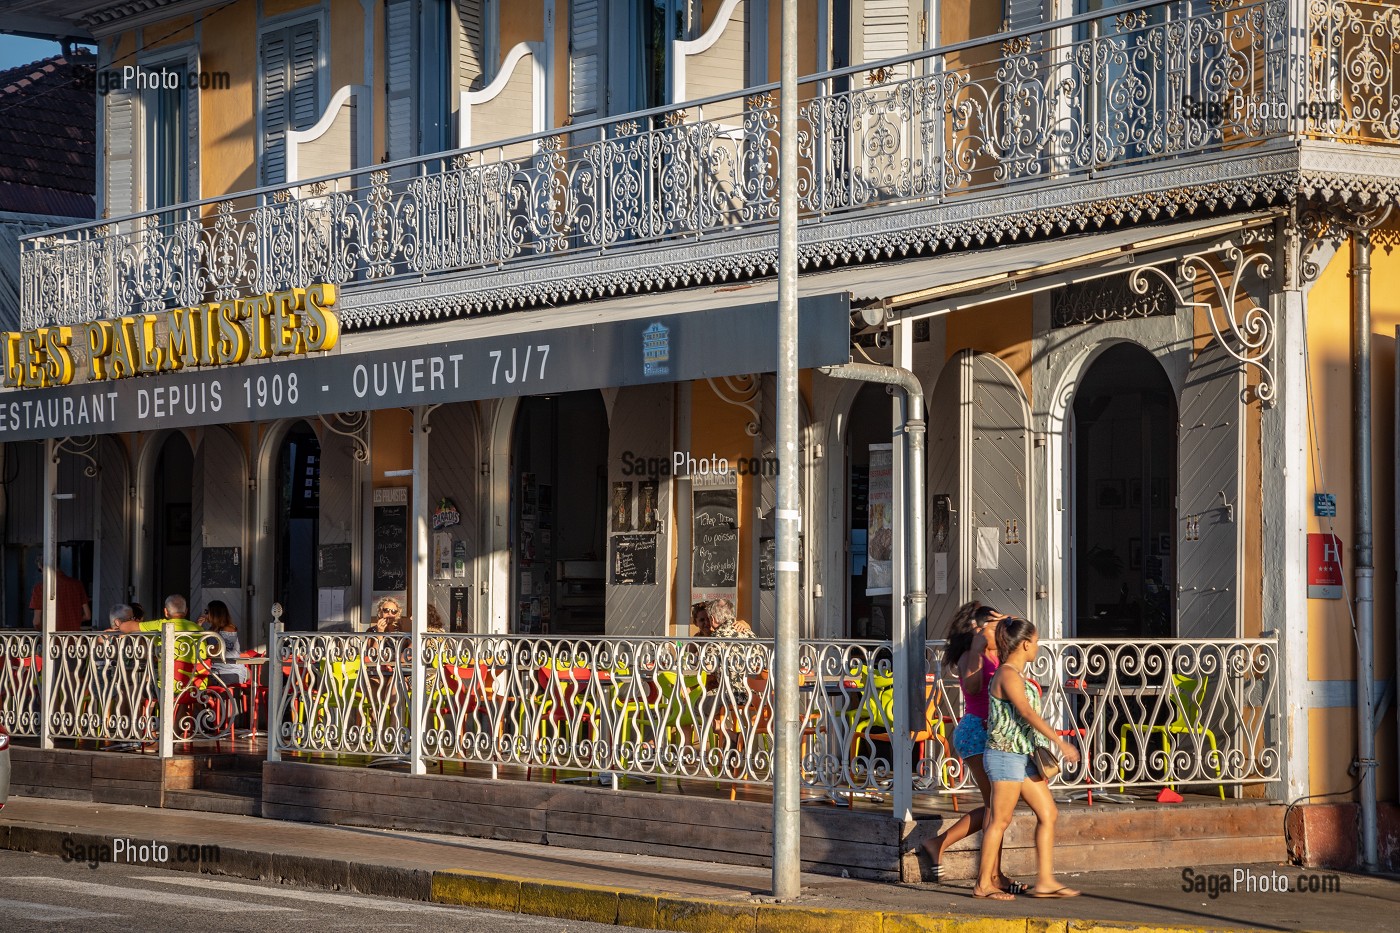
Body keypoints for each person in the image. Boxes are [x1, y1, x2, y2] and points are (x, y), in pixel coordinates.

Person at [973, 617, 1081, 900]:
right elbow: (1026, 712)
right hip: (1005, 756)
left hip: (1022, 756)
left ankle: (1045, 880)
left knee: (1048, 813)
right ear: (1024, 644)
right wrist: (1061, 742)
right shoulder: (1007, 674)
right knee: (1000, 819)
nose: (1038, 647)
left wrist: (1003, 621)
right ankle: (983, 883)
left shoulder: (1015, 674)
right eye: (1035, 641)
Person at [924, 603, 1020, 890]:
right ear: (978, 631)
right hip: (976, 732)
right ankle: (989, 875)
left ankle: (944, 846)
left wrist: (1006, 623)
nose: (1000, 628)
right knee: (996, 808)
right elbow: (975, 687)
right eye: (994, 625)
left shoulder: (997, 652)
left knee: (998, 808)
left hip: (991, 733)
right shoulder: (971, 655)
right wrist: (978, 650)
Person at [695, 598, 755, 708]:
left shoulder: (716, 639)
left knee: (690, 705)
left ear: (712, 619)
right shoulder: (749, 633)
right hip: (756, 697)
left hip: (730, 696)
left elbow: (705, 667)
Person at [29, 558, 91, 631]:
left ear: (44, 568)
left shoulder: (40, 588)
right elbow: (87, 616)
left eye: (40, 570)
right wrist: (73, 621)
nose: (41, 573)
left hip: (52, 639)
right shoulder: (77, 585)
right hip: (74, 638)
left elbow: (37, 622)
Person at [199, 600, 247, 688]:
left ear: (214, 613)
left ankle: (208, 701)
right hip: (216, 669)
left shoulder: (228, 629)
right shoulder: (212, 629)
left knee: (198, 683)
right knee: (194, 680)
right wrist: (198, 626)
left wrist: (201, 651)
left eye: (206, 611)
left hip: (230, 671)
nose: (204, 614)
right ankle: (208, 701)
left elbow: (219, 650)